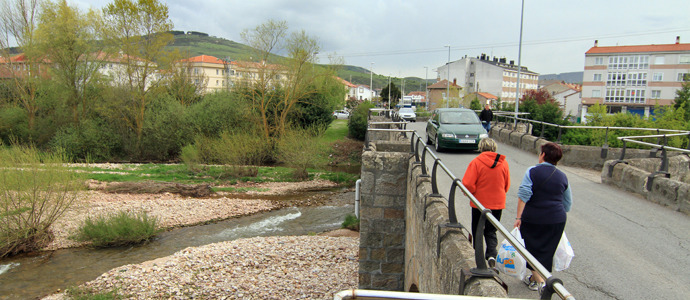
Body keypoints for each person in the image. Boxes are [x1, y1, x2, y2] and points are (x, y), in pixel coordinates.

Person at [514, 142, 572, 293]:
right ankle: (535, 279)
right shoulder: (563, 176)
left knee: (530, 250)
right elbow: (567, 204)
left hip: (534, 217)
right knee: (547, 250)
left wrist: (518, 217)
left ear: (543, 155)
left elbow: (524, 195)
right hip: (557, 219)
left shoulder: (532, 171)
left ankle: (541, 283)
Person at [461, 138, 510, 269]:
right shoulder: (503, 163)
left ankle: (479, 258)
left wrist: (470, 193)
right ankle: (492, 254)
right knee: (491, 230)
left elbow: (467, 183)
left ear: (480, 147)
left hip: (479, 203)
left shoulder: (476, 162)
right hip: (498, 203)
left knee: (477, 230)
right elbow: (506, 184)